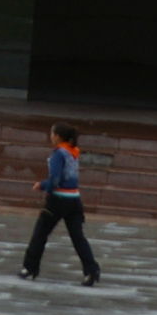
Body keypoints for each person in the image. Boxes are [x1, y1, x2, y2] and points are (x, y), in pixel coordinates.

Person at [19, 122, 100, 286]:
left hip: (57, 200)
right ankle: (91, 271)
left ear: (57, 136)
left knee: (40, 234)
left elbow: (55, 179)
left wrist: (42, 185)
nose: (50, 137)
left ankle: (29, 268)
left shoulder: (58, 154)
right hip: (74, 199)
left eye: (52, 133)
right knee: (78, 238)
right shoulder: (73, 152)